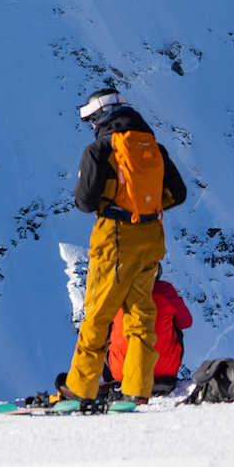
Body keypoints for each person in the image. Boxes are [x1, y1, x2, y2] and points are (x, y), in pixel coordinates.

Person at [63, 89, 187, 405]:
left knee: (98, 314)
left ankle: (80, 389)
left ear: (98, 117)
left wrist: (113, 200)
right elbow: (178, 193)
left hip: (115, 238)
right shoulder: (153, 148)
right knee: (141, 315)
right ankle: (137, 388)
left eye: (91, 120)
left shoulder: (100, 150)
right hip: (151, 237)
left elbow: (84, 201)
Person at [106, 269, 191, 395]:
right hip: (164, 370)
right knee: (175, 326)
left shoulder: (117, 291)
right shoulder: (165, 290)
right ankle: (164, 374)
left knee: (107, 329)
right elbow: (186, 321)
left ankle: (113, 382)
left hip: (121, 371)